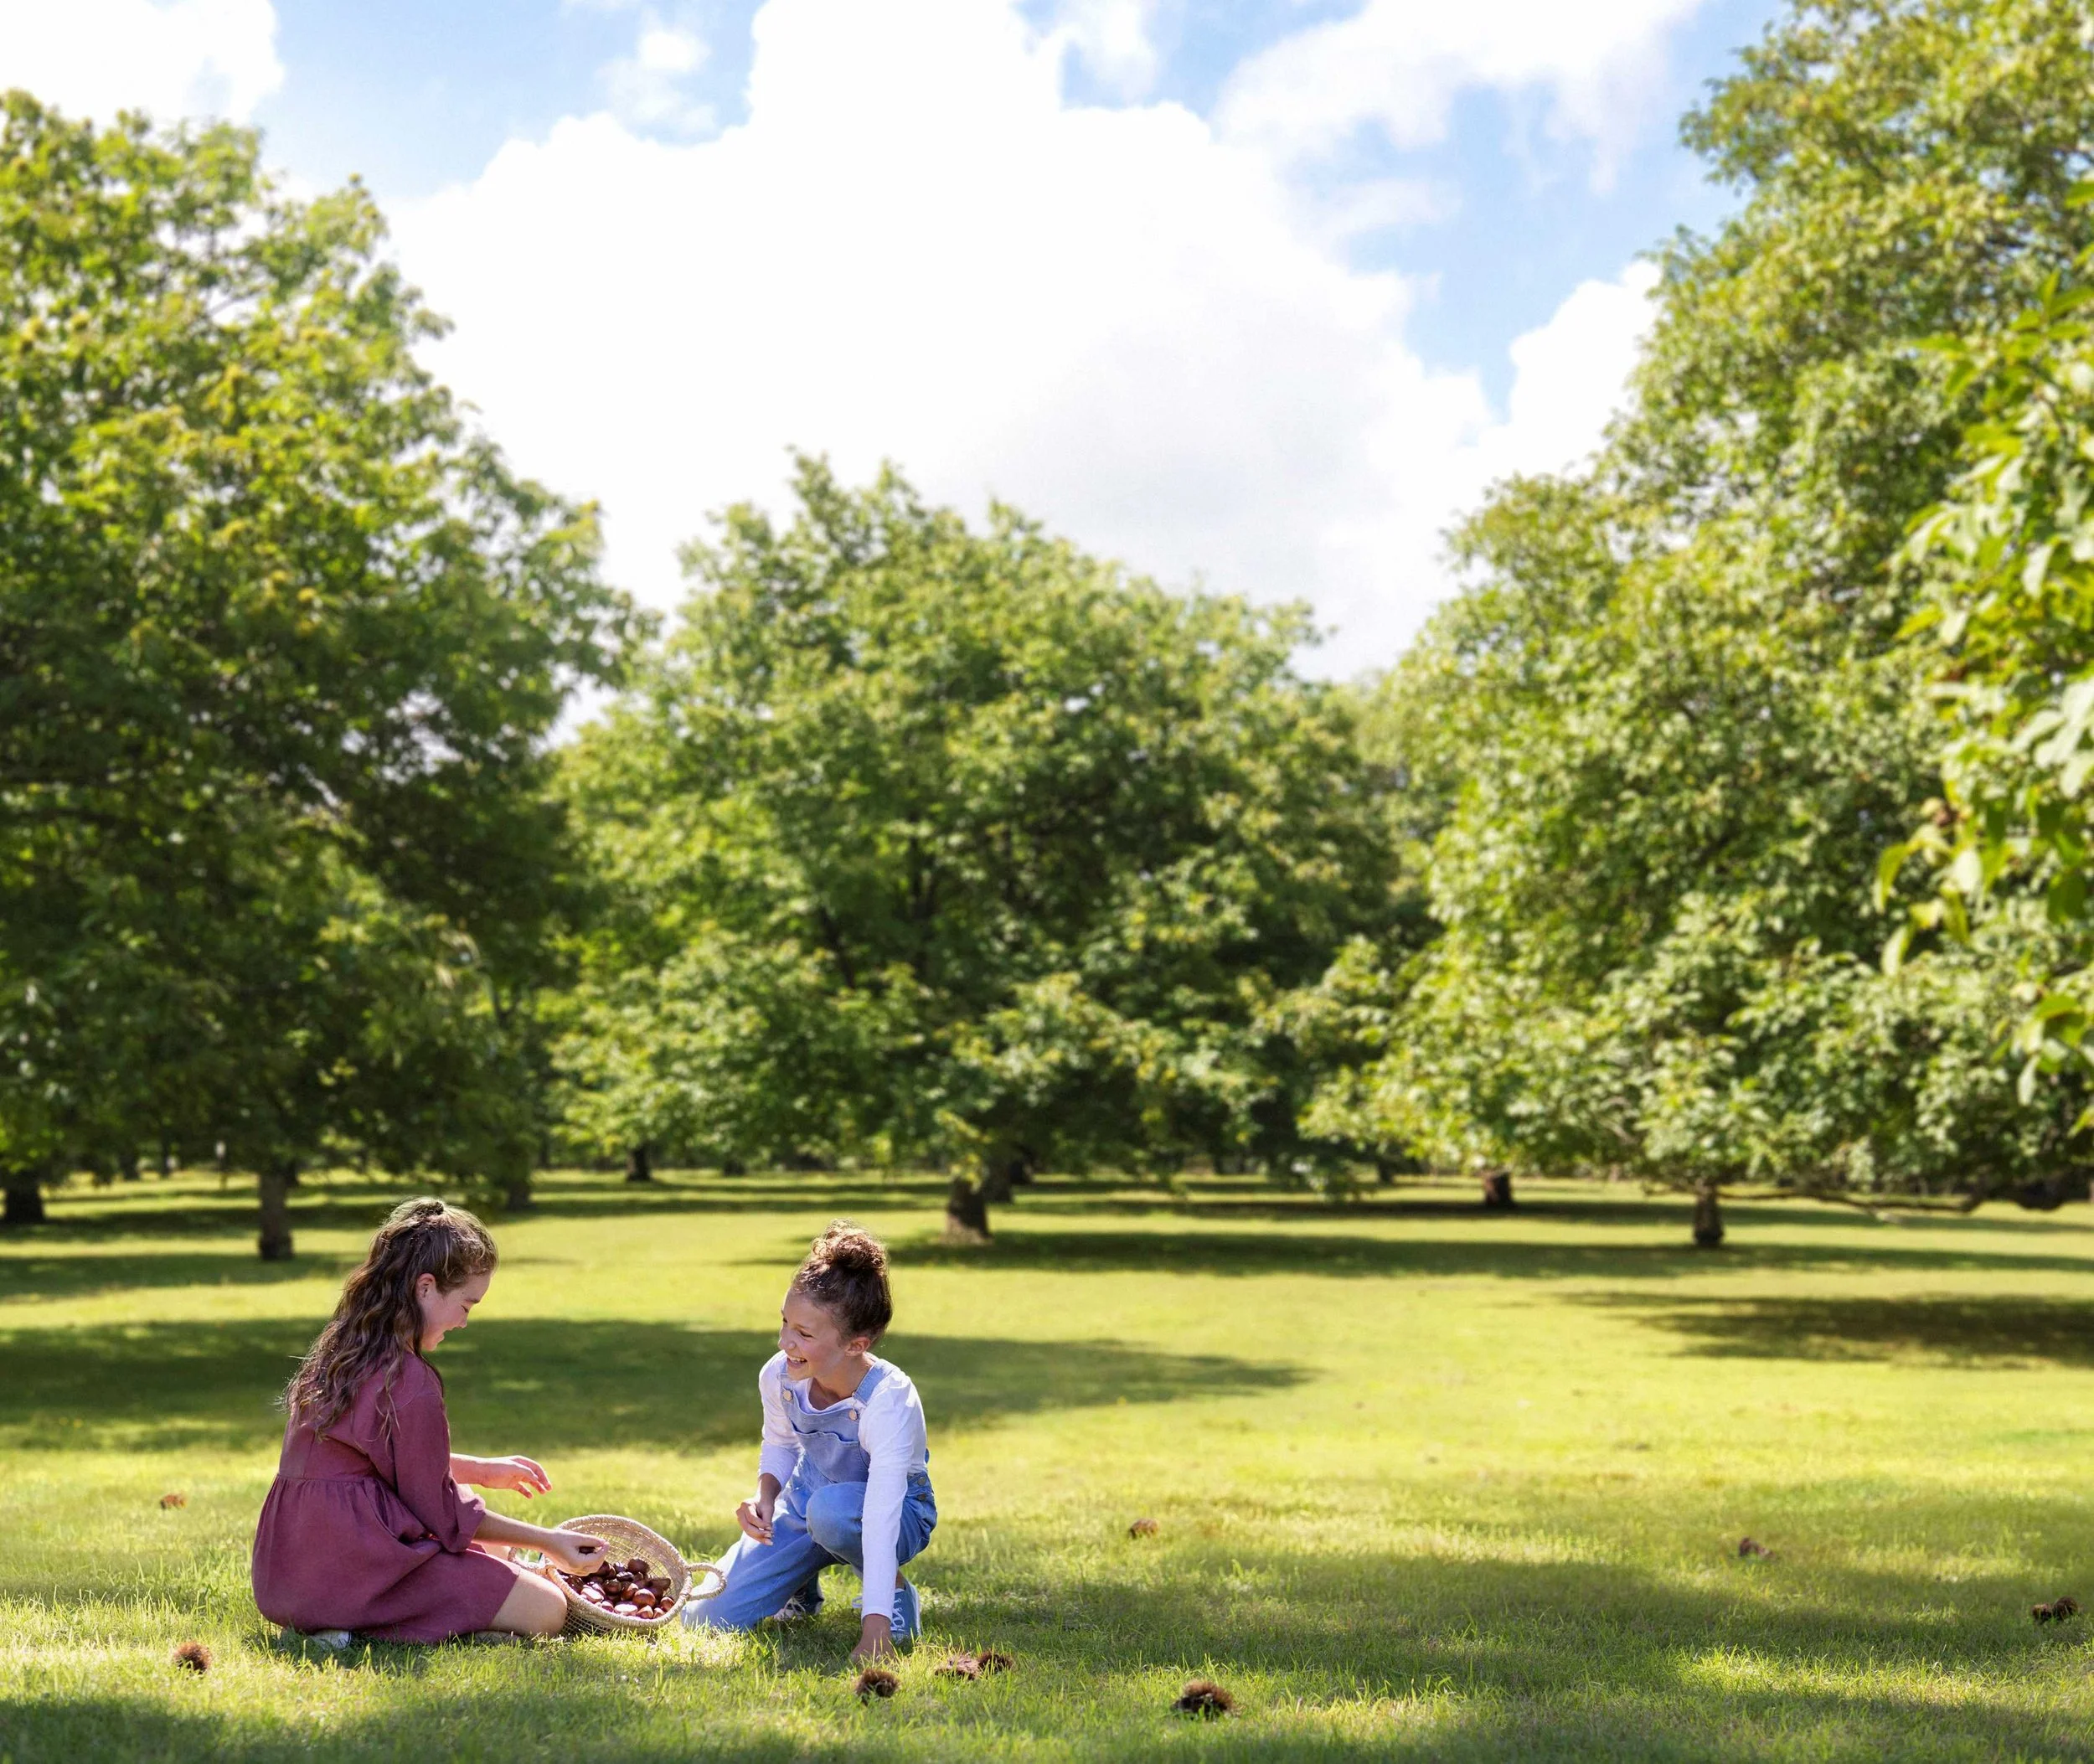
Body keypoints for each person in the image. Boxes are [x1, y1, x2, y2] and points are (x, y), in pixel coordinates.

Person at [251, 1197, 608, 1643]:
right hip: (354, 1573)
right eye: (466, 1305)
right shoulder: (408, 1380)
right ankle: (367, 1630)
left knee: (496, 1552)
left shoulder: (341, 1353)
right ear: (425, 1288)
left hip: (287, 1578)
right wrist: (548, 1541)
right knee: (549, 1608)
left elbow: (380, 1466)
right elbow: (442, 1513)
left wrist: (480, 1470)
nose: (463, 1322)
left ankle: (355, 1626)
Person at [684, 1221, 935, 1661]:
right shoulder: (780, 1375)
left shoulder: (890, 1399)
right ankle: (799, 1584)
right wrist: (765, 1497)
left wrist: (874, 1631)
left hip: (894, 1513)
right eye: (785, 1323)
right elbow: (780, 1442)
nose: (785, 1342)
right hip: (806, 1499)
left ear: (856, 1344)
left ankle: (894, 1595)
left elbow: (879, 1515)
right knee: (702, 1619)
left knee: (833, 1514)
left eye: (804, 1334)